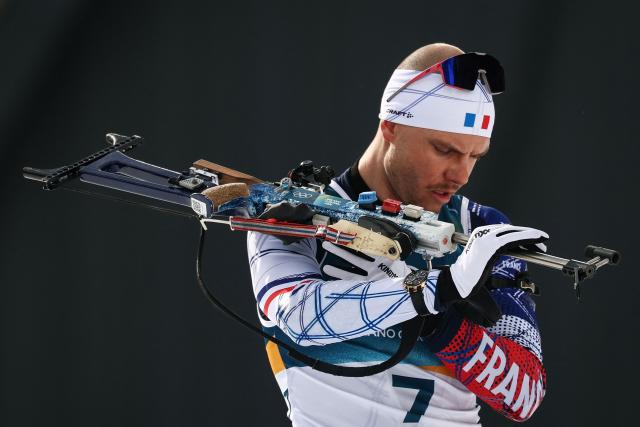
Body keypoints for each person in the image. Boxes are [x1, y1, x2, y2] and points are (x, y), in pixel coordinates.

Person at [246, 43, 547, 426]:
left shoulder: (481, 231)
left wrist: (445, 327)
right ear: (391, 126)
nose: (461, 175)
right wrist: (438, 290)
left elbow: (524, 396)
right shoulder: (294, 212)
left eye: (475, 156)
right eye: (444, 150)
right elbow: (298, 316)